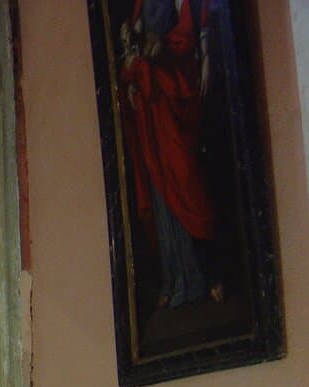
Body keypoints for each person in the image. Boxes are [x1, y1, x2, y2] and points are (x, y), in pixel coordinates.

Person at [118, 0, 222, 308]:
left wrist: (202, 59)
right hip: (152, 101)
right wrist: (132, 73)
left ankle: (208, 274)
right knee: (159, 183)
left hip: (174, 87)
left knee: (186, 181)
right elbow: (133, 38)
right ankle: (173, 277)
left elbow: (191, 32)